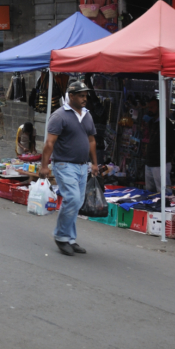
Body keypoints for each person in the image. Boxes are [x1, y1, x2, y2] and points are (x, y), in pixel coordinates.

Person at [40, 79, 98, 256]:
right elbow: (49, 143)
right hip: (64, 164)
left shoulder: (87, 115)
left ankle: (70, 239)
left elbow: (91, 140)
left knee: (77, 202)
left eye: (85, 96)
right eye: (81, 96)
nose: (84, 99)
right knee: (72, 199)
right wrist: (44, 166)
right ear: (71, 96)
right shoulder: (59, 116)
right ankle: (61, 236)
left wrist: (94, 163)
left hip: (82, 167)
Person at [143, 98, 174, 194]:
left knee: (164, 191)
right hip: (150, 162)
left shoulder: (166, 123)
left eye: (152, 107)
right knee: (150, 191)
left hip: (160, 163)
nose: (149, 110)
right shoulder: (152, 122)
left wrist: (165, 157)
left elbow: (172, 143)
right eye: (149, 107)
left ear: (158, 108)